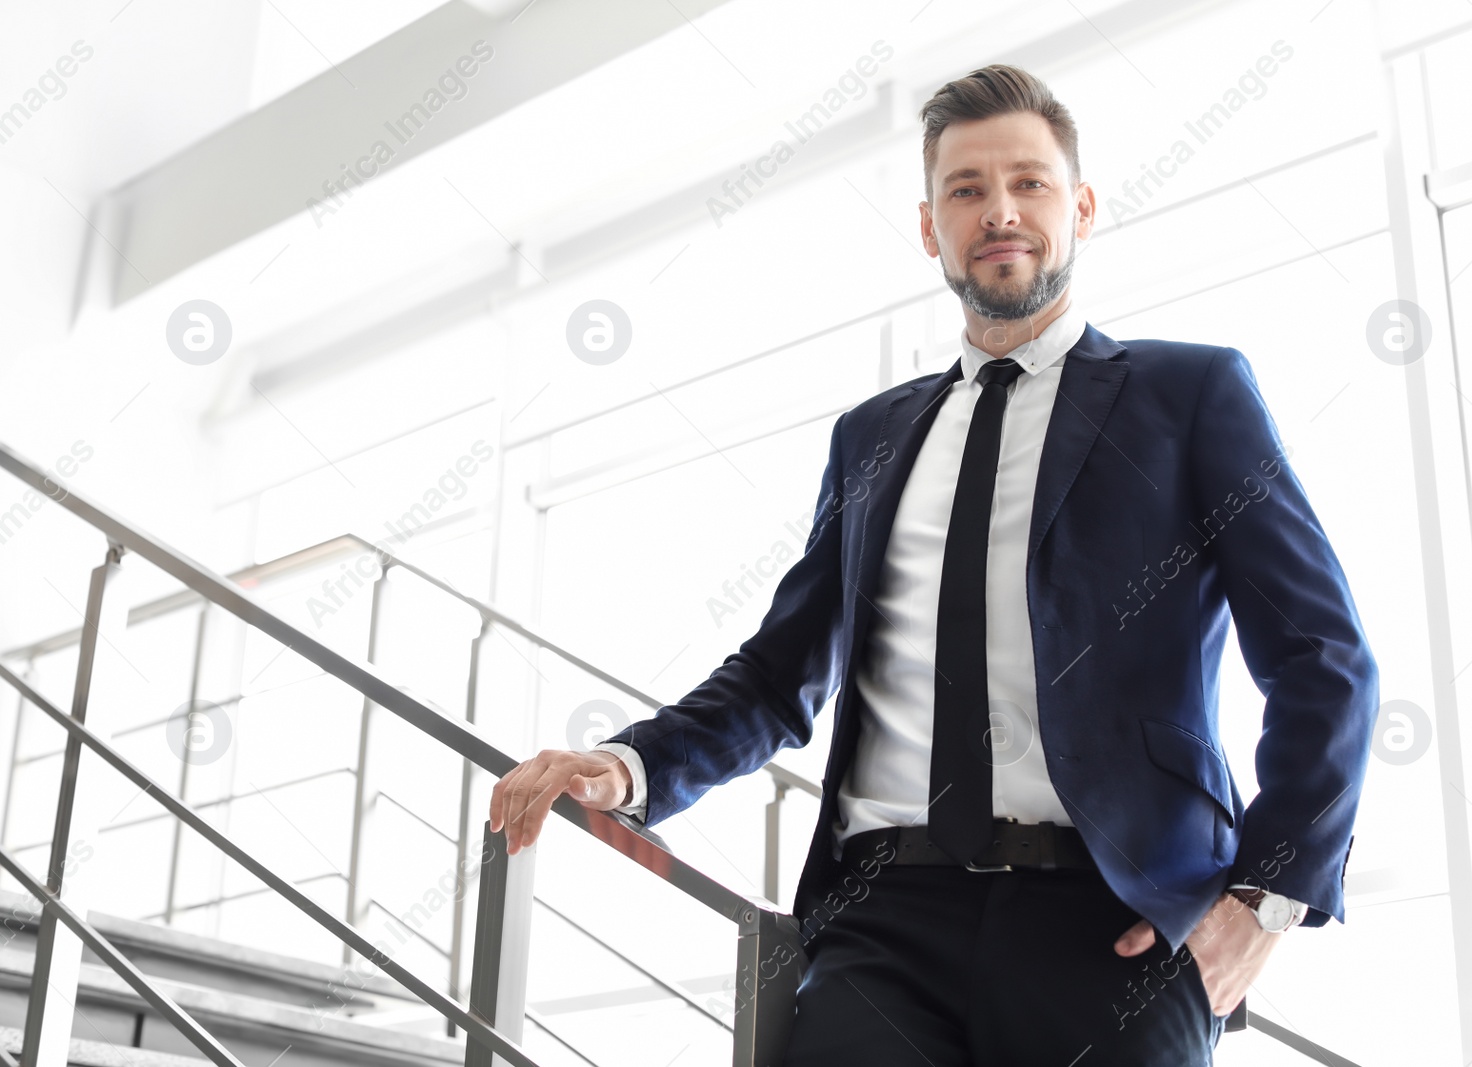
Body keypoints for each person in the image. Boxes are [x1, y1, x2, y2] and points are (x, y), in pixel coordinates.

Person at [489, 63, 1379, 1066]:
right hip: (885, 921)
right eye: (965, 190)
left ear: (1078, 206)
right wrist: (629, 763)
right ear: (929, 227)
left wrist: (1260, 899)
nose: (998, 210)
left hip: (1114, 920)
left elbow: (1322, 653)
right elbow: (780, 673)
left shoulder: (1189, 395)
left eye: (1028, 183)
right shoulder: (871, 436)